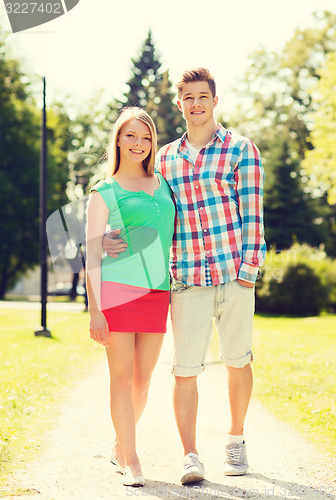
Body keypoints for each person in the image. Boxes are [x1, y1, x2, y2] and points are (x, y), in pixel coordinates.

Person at [103, 68, 266, 484]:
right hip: (187, 278)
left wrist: (248, 272)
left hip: (234, 275)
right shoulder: (166, 159)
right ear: (179, 104)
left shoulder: (241, 150)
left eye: (202, 96)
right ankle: (190, 455)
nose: (195, 103)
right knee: (184, 369)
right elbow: (139, 200)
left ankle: (236, 438)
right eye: (188, 97)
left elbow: (253, 214)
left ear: (215, 100)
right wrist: (107, 234)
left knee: (237, 360)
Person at [85, 107, 175, 487]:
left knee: (143, 381)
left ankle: (120, 445)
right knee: (121, 379)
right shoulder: (104, 191)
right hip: (118, 292)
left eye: (146, 137)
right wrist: (95, 312)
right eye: (131, 136)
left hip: (158, 292)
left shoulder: (164, 183)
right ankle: (132, 460)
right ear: (118, 140)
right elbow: (91, 252)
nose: (139, 143)